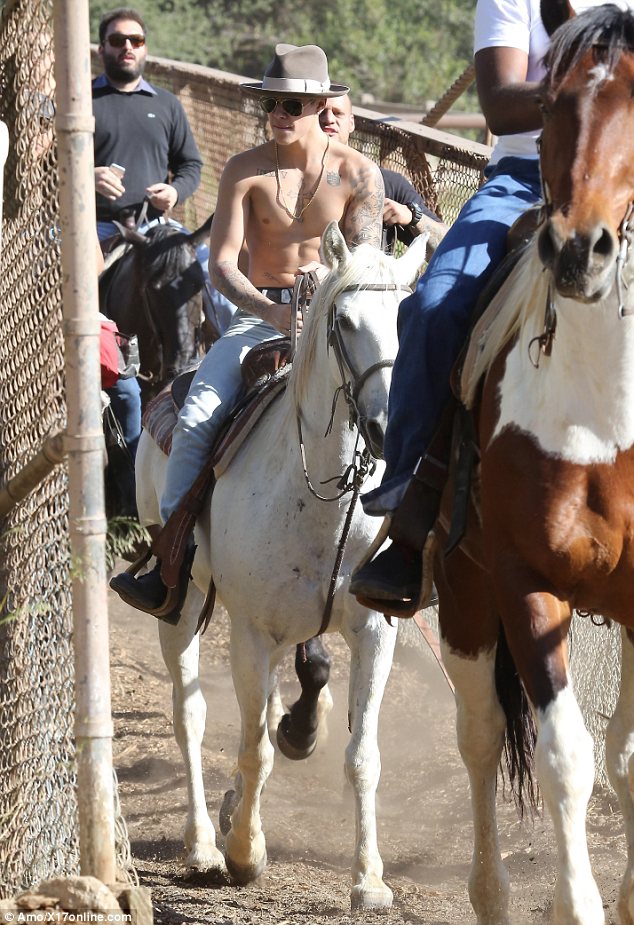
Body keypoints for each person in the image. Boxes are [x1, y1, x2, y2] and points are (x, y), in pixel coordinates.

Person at [349, 0, 625, 615]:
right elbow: (500, 101)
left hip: (620, 171)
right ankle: (410, 507)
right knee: (437, 303)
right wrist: (589, 88)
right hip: (525, 175)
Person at [110, 43, 385, 618]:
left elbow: (366, 264)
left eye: (290, 104)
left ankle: (405, 547)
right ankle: (172, 557)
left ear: (318, 106)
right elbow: (222, 265)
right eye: (271, 104)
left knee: (389, 400)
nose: (278, 114)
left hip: (340, 316)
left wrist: (325, 305)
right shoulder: (245, 168)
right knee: (198, 413)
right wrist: (277, 313)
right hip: (262, 316)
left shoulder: (359, 173)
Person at [92, 7, 204, 464]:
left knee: (206, 272)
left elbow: (192, 166)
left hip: (156, 226)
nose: (127, 48)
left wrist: (173, 191)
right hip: (97, 226)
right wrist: (88, 175)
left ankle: (205, 358)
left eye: (135, 41)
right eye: (118, 41)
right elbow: (42, 168)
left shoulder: (166, 103)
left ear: (145, 48)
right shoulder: (83, 100)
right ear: (103, 48)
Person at [319, 93, 447, 256]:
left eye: (337, 113)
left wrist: (412, 217)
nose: (328, 119)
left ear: (351, 123)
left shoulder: (386, 182)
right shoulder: (287, 177)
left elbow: (447, 248)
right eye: (321, 112)